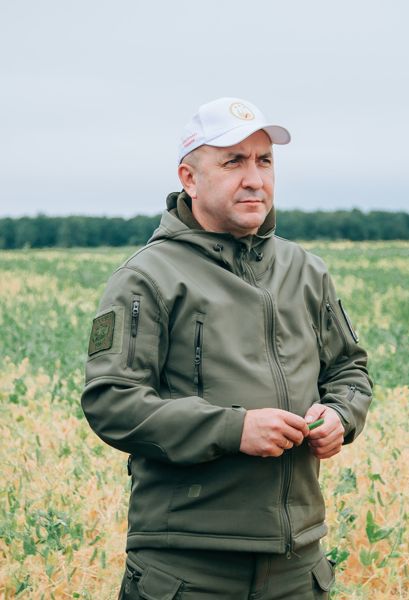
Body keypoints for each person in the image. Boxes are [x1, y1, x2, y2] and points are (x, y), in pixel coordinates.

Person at [82, 97, 373, 599]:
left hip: (297, 566)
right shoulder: (146, 278)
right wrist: (234, 429)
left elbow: (349, 369)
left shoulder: (306, 270)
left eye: (264, 161)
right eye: (233, 161)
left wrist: (341, 416)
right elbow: (111, 402)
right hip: (188, 569)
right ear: (189, 179)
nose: (255, 178)